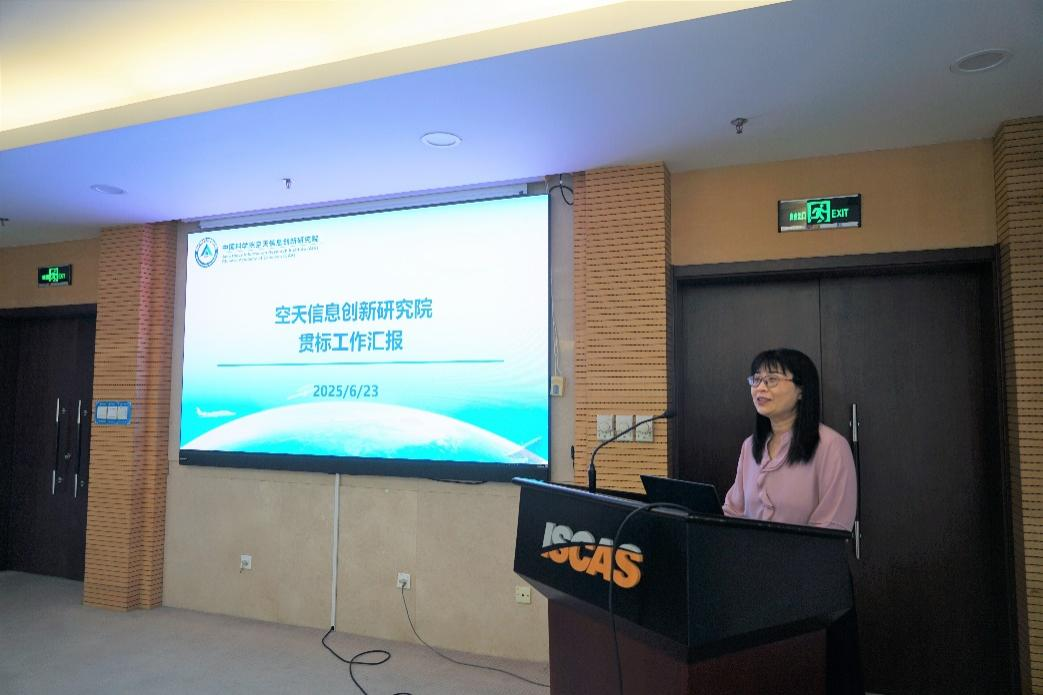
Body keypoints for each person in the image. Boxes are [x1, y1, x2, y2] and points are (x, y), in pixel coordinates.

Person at [722, 347, 857, 531]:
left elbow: (832, 528)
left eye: (772, 380)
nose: (760, 388)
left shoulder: (832, 446)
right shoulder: (750, 445)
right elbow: (733, 513)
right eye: (756, 379)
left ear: (801, 389)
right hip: (749, 550)